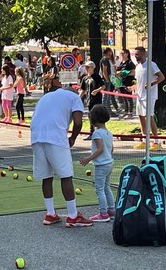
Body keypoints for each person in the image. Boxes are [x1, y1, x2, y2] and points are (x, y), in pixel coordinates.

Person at [30, 87, 93, 228]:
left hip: (36, 135)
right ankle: (72, 215)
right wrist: (73, 138)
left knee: (47, 176)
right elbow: (78, 122)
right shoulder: (75, 98)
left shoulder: (47, 96)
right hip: (56, 136)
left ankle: (50, 213)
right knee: (66, 175)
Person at [80, 105, 115, 222]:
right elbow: (111, 149)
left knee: (99, 189)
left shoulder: (96, 134)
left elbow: (100, 149)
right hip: (109, 163)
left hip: (101, 165)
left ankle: (103, 213)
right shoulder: (108, 133)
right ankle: (112, 210)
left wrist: (88, 159)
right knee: (107, 187)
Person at [131, 46, 165, 151]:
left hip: (150, 96)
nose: (136, 56)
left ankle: (156, 142)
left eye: (138, 54)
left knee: (149, 117)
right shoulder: (138, 67)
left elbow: (161, 77)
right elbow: (138, 82)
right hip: (140, 96)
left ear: (143, 54)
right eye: (135, 54)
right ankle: (144, 141)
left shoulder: (151, 64)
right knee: (141, 117)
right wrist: (131, 88)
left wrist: (152, 83)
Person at [79, 61, 105, 141]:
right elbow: (83, 90)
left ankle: (100, 133)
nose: (86, 69)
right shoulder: (85, 78)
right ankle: (91, 133)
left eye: (88, 67)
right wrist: (78, 98)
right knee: (90, 116)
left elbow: (103, 86)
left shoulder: (97, 77)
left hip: (97, 100)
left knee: (97, 117)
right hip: (89, 100)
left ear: (92, 68)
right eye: (85, 67)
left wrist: (97, 90)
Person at [100, 47, 122, 116]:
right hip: (107, 80)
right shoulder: (104, 59)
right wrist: (107, 80)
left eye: (111, 51)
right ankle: (105, 112)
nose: (110, 53)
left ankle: (108, 111)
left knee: (108, 97)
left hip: (111, 79)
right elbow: (104, 71)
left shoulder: (110, 60)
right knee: (106, 97)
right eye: (108, 51)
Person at [116, 49, 136, 118]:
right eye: (121, 53)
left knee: (129, 98)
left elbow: (133, 72)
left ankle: (130, 113)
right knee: (124, 98)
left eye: (123, 53)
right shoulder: (121, 62)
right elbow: (117, 72)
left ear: (127, 54)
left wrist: (124, 73)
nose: (122, 54)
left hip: (128, 82)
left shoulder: (130, 62)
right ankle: (126, 111)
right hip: (121, 82)